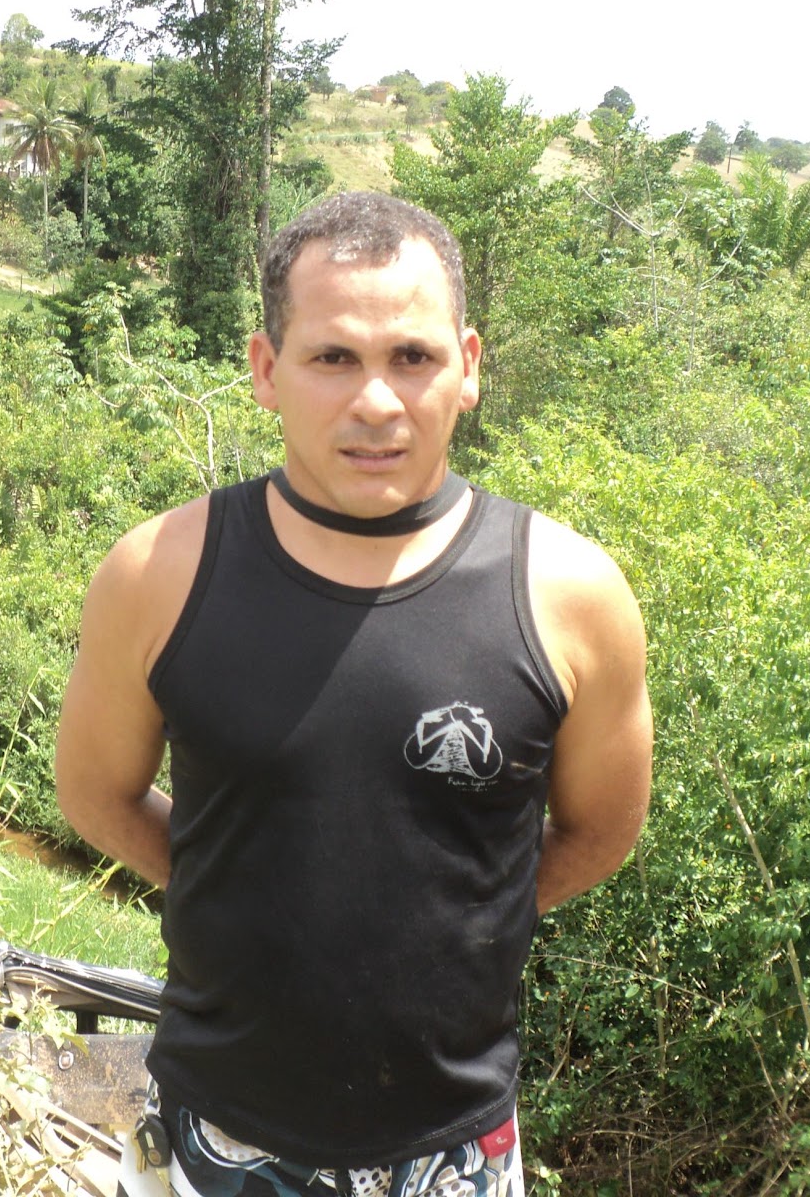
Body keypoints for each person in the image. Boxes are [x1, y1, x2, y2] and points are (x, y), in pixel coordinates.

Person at [55, 191, 652, 1197]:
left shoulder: (569, 596)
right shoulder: (159, 574)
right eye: (333, 357)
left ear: (468, 367)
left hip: (455, 1151)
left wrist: (456, 919)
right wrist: (233, 896)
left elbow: (601, 830)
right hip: (213, 1137)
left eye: (412, 357)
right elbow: (94, 793)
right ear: (265, 369)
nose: (376, 401)